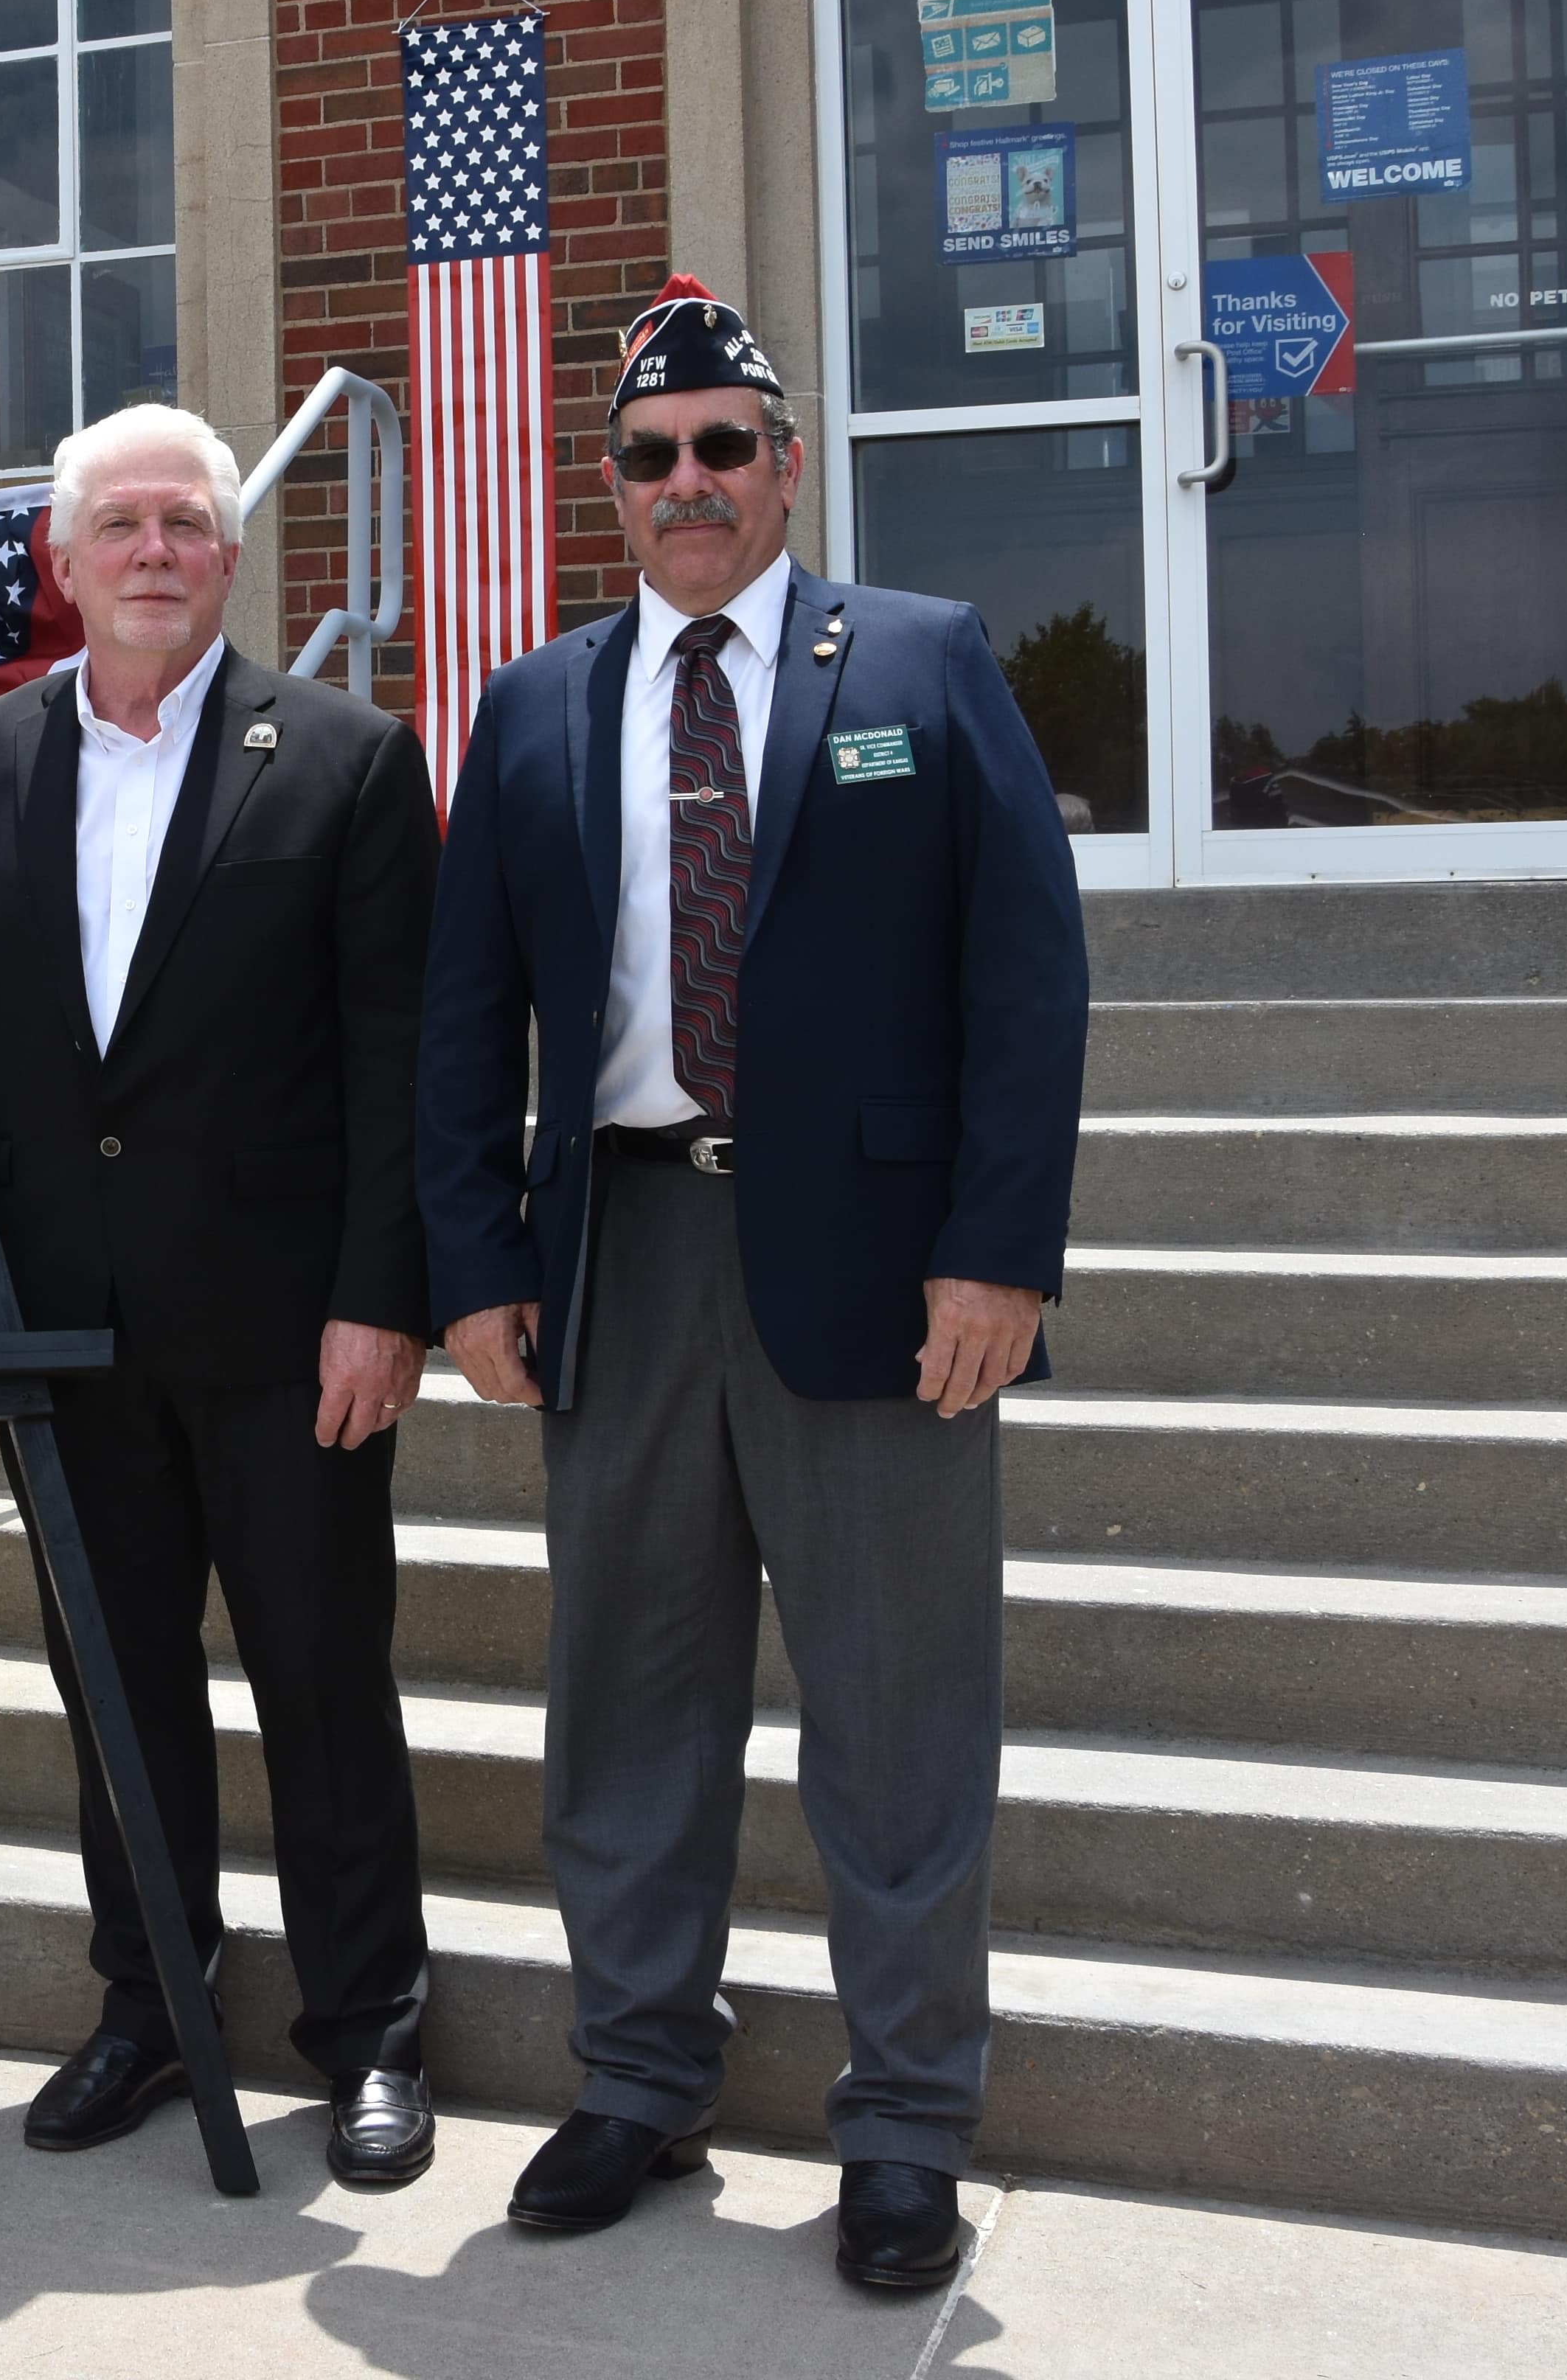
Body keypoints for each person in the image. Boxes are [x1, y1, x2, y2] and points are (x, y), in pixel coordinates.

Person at [411, 278, 1085, 2292]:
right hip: (620, 1249)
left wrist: (997, 1252)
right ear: (611, 490)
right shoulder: (535, 707)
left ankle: (902, 2128)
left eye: (724, 445)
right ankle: (635, 2080)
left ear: (788, 464)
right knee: (627, 1701)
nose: (687, 480)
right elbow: (465, 1020)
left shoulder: (926, 662)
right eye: (650, 456)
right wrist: (471, 1262)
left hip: (878, 1276)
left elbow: (1022, 983)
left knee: (895, 1714)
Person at [0, 403, 442, 2188]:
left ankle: (370, 2028)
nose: (155, 548)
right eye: (121, 522)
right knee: (114, 1687)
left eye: (188, 523)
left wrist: (388, 1297)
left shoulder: (351, 760)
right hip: (65, 1329)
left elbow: (401, 1062)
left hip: (294, 1334)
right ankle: (149, 2001)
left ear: (231, 555)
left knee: (319, 1676)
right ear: (62, 560)